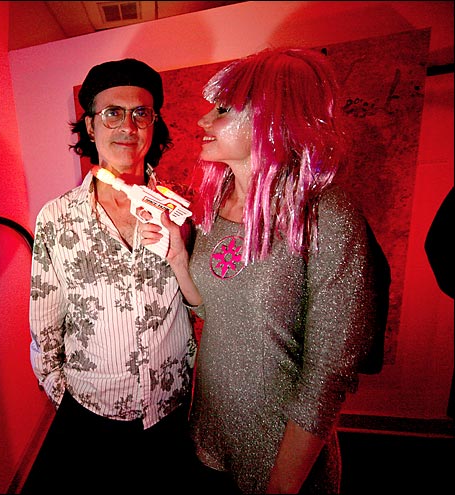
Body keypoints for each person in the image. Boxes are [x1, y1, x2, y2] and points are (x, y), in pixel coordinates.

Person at [142, 47, 385, 493]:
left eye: (222, 110)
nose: (203, 121)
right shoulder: (215, 205)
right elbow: (213, 315)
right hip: (208, 437)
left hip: (279, 457)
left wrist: (282, 485)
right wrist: (178, 260)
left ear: (272, 119)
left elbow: (328, 374)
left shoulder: (325, 215)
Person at [23, 58, 198, 493]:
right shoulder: (56, 218)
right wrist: (64, 396)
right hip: (91, 412)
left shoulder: (184, 211)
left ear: (154, 123)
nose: (128, 126)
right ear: (89, 125)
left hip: (171, 406)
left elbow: (205, 305)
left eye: (141, 113)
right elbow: (45, 323)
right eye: (113, 113)